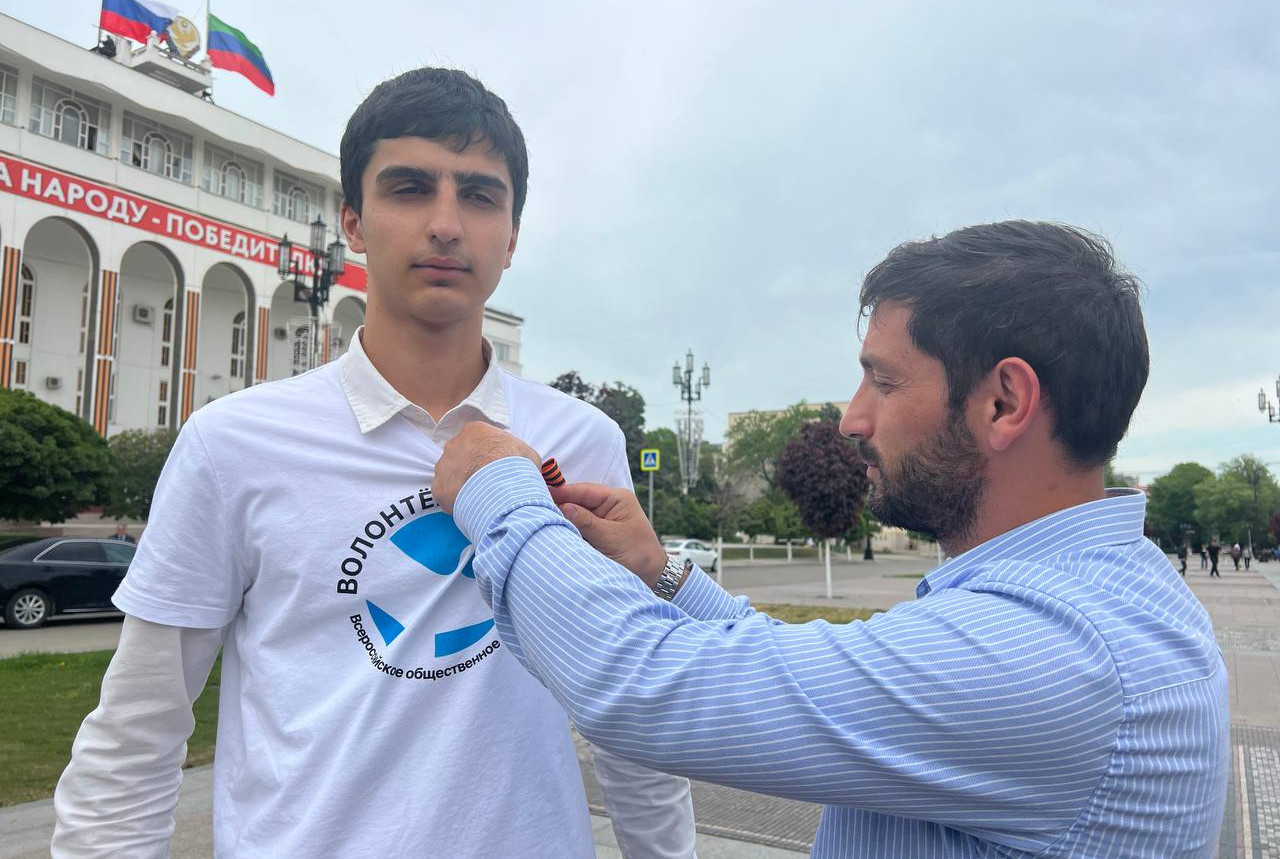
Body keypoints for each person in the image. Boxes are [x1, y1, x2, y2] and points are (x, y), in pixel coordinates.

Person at [52, 68, 695, 859]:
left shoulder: (583, 441)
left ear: (512, 236)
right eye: (410, 188)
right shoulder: (233, 445)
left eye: (480, 196)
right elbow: (138, 732)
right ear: (352, 222)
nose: (446, 224)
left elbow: (633, 711)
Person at [433, 221, 1229, 858]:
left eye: (884, 380)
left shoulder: (1056, 651)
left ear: (1003, 402)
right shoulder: (1099, 596)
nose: (852, 417)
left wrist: (497, 487)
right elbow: (795, 671)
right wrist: (660, 571)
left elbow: (645, 685)